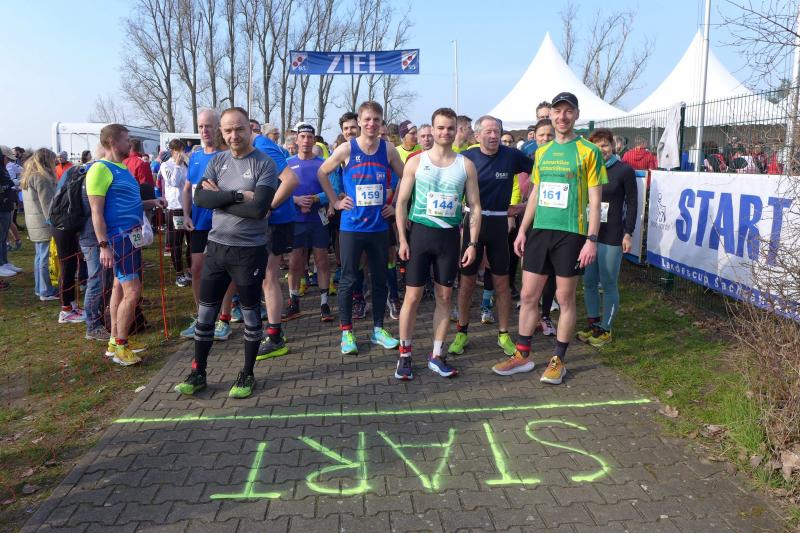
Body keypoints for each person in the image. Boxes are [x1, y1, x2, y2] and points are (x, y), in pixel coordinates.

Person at [496, 92, 606, 385]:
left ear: (576, 115)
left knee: (564, 298)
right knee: (528, 295)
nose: (562, 117)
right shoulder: (542, 152)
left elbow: (596, 202)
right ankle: (522, 355)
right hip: (540, 232)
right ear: (551, 115)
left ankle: (558, 360)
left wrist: (592, 239)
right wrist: (523, 229)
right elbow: (534, 194)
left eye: (568, 111)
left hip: (571, 233)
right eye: (558, 111)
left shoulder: (588, 151)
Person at [174, 107, 278, 398]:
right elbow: (200, 198)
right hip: (217, 248)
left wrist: (219, 198)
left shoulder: (265, 164)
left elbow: (258, 209)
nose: (234, 135)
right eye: (228, 130)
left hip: (249, 252)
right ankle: (198, 372)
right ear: (222, 131)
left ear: (250, 129)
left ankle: (247, 374)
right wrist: (237, 196)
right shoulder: (217, 161)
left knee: (250, 316)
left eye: (239, 128)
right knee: (205, 314)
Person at [394, 107, 481, 380]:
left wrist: (472, 243)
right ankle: (405, 355)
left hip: (448, 238)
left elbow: (475, 206)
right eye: (440, 127)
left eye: (450, 128)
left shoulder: (466, 165)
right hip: (420, 236)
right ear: (432, 130)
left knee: (444, 297)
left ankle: (437, 355)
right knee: (413, 297)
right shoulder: (416, 162)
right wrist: (402, 239)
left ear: (456, 130)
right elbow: (401, 203)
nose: (445, 132)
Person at [317, 100, 404, 355]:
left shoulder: (388, 149)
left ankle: (378, 329)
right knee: (348, 279)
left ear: (381, 122)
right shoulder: (347, 148)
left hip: (378, 227)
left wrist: (395, 204)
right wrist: (335, 201)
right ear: (359, 121)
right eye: (367, 119)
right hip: (352, 227)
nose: (371, 124)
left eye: (376, 119)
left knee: (379, 279)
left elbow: (407, 175)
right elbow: (322, 173)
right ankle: (347, 332)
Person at [448, 115, 533, 358]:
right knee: (466, 283)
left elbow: (539, 172)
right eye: (488, 131)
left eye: (497, 131)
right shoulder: (467, 158)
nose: (494, 135)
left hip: (498, 223)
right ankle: (462, 332)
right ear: (477, 136)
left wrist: (526, 204)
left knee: (502, 283)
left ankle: (504, 334)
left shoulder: (512, 155)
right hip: (472, 222)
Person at [87, 124, 167, 365]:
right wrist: (103, 245)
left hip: (131, 237)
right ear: (112, 142)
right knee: (133, 291)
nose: (130, 144)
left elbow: (127, 204)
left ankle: (115, 341)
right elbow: (96, 211)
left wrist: (152, 202)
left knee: (119, 289)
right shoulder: (100, 169)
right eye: (126, 139)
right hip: (118, 239)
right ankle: (121, 347)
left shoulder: (122, 168)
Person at [578, 128, 637, 347]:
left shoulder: (624, 170)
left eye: (604, 145)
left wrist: (628, 233)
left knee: (609, 282)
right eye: (596, 145)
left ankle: (606, 329)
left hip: (612, 234)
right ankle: (594, 323)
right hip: (590, 234)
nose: (601, 149)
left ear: (613, 146)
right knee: (589, 282)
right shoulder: (586, 169)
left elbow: (632, 203)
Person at [181, 109, 235, 340]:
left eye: (209, 126)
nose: (204, 131)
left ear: (218, 128)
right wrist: (186, 215)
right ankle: (201, 317)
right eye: (201, 126)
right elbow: (187, 188)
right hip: (199, 224)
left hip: (222, 223)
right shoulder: (194, 157)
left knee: (224, 270)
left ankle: (224, 318)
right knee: (197, 269)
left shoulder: (228, 156)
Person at [252, 122, 299, 360]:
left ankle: (275, 336)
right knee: (264, 277)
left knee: (268, 277)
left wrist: (268, 207)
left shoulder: (262, 145)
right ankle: (271, 330)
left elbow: (290, 180)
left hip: (276, 220)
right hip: (268, 221)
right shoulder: (254, 147)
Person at [286, 122, 333, 323]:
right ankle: (293, 301)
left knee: (321, 259)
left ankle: (324, 303)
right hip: (296, 219)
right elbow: (279, 191)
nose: (306, 141)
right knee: (295, 261)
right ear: (296, 140)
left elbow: (333, 191)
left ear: (314, 140)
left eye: (310, 137)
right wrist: (296, 200)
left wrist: (315, 199)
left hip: (317, 219)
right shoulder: (287, 163)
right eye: (302, 137)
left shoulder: (324, 163)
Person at [79, 144, 112, 341]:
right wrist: (103, 243)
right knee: (96, 280)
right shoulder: (95, 173)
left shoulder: (89, 171)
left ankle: (101, 317)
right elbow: (96, 210)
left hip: (93, 234)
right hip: (92, 236)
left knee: (103, 278)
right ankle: (92, 325)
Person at [20, 149, 59, 298]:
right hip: (43, 223)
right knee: (45, 258)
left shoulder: (29, 175)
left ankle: (39, 287)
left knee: (39, 256)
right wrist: (55, 222)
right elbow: (48, 205)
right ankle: (46, 290)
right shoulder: (41, 178)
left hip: (34, 222)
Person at [160, 139, 191, 286]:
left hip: (189, 207)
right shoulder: (166, 165)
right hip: (175, 208)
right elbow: (174, 182)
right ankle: (179, 273)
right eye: (179, 150)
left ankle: (190, 269)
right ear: (172, 151)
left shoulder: (186, 164)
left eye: (183, 150)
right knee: (176, 243)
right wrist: (177, 165)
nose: (181, 153)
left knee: (191, 242)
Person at [0, 150, 20, 278]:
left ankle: (5, 262)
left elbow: (9, 182)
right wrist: (10, 185)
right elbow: (6, 184)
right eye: (5, 157)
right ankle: (1, 265)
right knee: (1, 236)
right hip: (1, 206)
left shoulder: (4, 169)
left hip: (6, 205)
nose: (7, 160)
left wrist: (13, 184)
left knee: (3, 236)